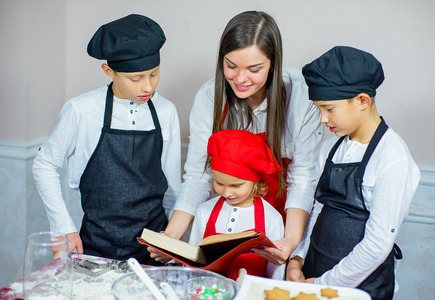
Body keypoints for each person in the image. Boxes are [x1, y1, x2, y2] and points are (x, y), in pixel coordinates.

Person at [149, 10, 323, 265]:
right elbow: (198, 176)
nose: (240, 79)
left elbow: (303, 179)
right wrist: (170, 238)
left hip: (285, 218)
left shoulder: (300, 96)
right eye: (231, 66)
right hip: (230, 218)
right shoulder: (210, 97)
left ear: (274, 64)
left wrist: (290, 243)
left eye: (254, 69)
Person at [32, 14, 181, 265]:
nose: (148, 87)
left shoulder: (166, 111)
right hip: (95, 247)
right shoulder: (82, 110)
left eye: (154, 74)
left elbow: (173, 187)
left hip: (153, 249)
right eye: (136, 78)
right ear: (109, 71)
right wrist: (64, 227)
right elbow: (44, 164)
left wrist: (171, 239)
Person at [286, 46, 420, 300]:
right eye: (318, 110)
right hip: (314, 274)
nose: (323, 119)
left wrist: (326, 285)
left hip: (358, 289)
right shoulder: (329, 148)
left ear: (362, 101)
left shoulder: (392, 158)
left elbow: (377, 245)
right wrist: (298, 258)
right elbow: (318, 210)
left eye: (329, 109)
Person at [188, 130, 285, 280]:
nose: (227, 193)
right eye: (219, 183)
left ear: (255, 181)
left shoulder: (272, 218)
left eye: (236, 185)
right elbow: (191, 259)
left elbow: (276, 271)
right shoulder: (204, 211)